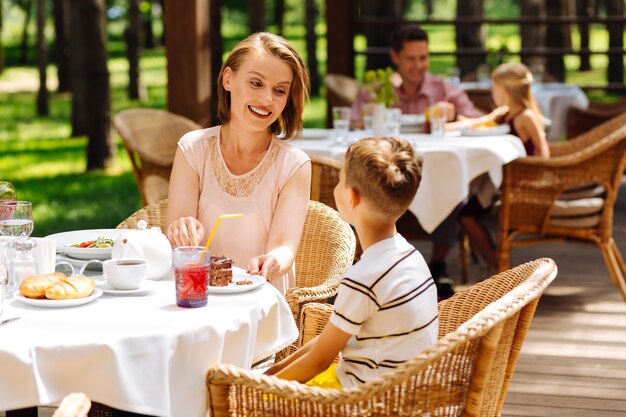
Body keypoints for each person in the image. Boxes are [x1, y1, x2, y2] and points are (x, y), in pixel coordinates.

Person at [265, 137, 439, 388]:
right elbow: (329, 340)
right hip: (403, 391)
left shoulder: (364, 277)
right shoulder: (409, 256)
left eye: (340, 179)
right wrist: (274, 372)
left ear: (352, 197)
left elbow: (319, 361)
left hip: (365, 401)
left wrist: (256, 390)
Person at [166, 32, 312, 295]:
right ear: (228, 79)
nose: (267, 99)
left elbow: (284, 247)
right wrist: (179, 228)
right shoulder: (192, 149)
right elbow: (178, 229)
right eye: (256, 83)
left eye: (279, 90)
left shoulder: (294, 165)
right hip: (198, 295)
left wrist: (274, 260)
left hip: (262, 298)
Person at [352, 24, 484, 298]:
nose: (418, 65)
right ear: (395, 57)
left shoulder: (442, 89)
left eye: (423, 58)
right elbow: (354, 124)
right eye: (411, 58)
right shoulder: (378, 89)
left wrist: (455, 117)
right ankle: (377, 265)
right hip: (386, 174)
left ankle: (438, 265)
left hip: (432, 173)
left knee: (452, 184)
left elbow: (477, 120)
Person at [459, 62, 550, 269]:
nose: (491, 92)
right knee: (465, 211)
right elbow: (475, 123)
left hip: (518, 183)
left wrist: (534, 179)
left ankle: (500, 268)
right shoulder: (504, 114)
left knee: (467, 215)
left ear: (505, 92)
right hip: (499, 180)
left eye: (493, 87)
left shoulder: (525, 117)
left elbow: (543, 151)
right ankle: (498, 266)